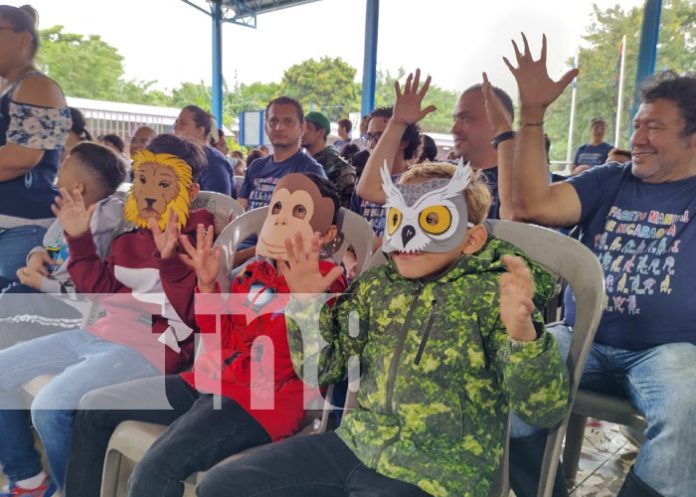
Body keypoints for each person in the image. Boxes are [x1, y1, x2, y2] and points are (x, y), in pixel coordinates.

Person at [196, 157, 569, 497]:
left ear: (471, 239)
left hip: (436, 473)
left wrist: (524, 337)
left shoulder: (493, 297)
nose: (408, 236)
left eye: (431, 220)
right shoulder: (376, 287)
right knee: (222, 486)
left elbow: (543, 412)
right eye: (398, 218)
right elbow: (320, 370)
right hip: (355, 445)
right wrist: (307, 306)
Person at [64, 173, 347, 497]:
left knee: (154, 471)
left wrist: (302, 302)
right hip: (208, 380)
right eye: (277, 207)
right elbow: (217, 340)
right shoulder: (255, 272)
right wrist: (210, 286)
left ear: (326, 234)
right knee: (92, 407)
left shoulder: (326, 284)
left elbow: (287, 366)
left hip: (259, 402)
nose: (282, 219)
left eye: (299, 212)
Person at [503, 33, 696, 497]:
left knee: (689, 410)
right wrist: (531, 116)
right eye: (635, 125)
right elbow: (531, 205)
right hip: (580, 335)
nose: (637, 138)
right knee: (509, 374)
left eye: (654, 128)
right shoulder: (610, 179)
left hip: (671, 351)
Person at [0, 134, 213, 496]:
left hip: (152, 346)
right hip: (101, 331)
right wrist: (78, 237)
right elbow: (100, 290)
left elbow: (189, 321)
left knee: (51, 406)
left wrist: (168, 258)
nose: (148, 192)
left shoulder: (199, 237)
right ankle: (30, 480)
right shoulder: (129, 232)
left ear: (188, 192)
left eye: (163, 183)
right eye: (142, 179)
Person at [0, 142, 125, 349]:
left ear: (79, 187)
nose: (59, 167)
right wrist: (36, 256)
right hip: (41, 292)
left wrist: (42, 284)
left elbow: (85, 287)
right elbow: (50, 246)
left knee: (13, 301)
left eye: (65, 165)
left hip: (70, 307)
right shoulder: (67, 212)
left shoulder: (100, 226)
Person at [0, 4, 71, 282]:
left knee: (16, 317)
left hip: (22, 228)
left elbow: (22, 157)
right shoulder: (9, 88)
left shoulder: (37, 86)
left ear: (24, 39)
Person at [234, 96, 326, 264]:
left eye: (288, 122)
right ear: (266, 127)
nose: (279, 127)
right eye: (273, 121)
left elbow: (311, 230)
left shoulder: (311, 171)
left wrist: (250, 252)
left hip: (280, 255)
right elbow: (240, 209)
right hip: (241, 245)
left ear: (302, 127)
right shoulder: (256, 166)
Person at [451, 76, 515, 219]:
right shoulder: (442, 175)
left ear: (500, 119)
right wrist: (398, 123)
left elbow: (514, 221)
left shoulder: (522, 185)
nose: (454, 129)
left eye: (465, 118)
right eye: (455, 119)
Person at [351, 106, 420, 240]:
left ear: (403, 142)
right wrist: (350, 260)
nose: (371, 145)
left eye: (379, 137)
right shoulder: (362, 184)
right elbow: (349, 236)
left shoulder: (417, 183)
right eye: (369, 137)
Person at [174, 104, 235, 197]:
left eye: (182, 123)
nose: (175, 128)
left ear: (200, 130)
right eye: (176, 123)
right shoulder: (183, 157)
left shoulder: (214, 161)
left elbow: (219, 203)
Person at [302, 111, 356, 208]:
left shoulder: (339, 166)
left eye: (308, 128)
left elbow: (346, 208)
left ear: (320, 133)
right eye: (301, 128)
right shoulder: (299, 163)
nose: (302, 132)